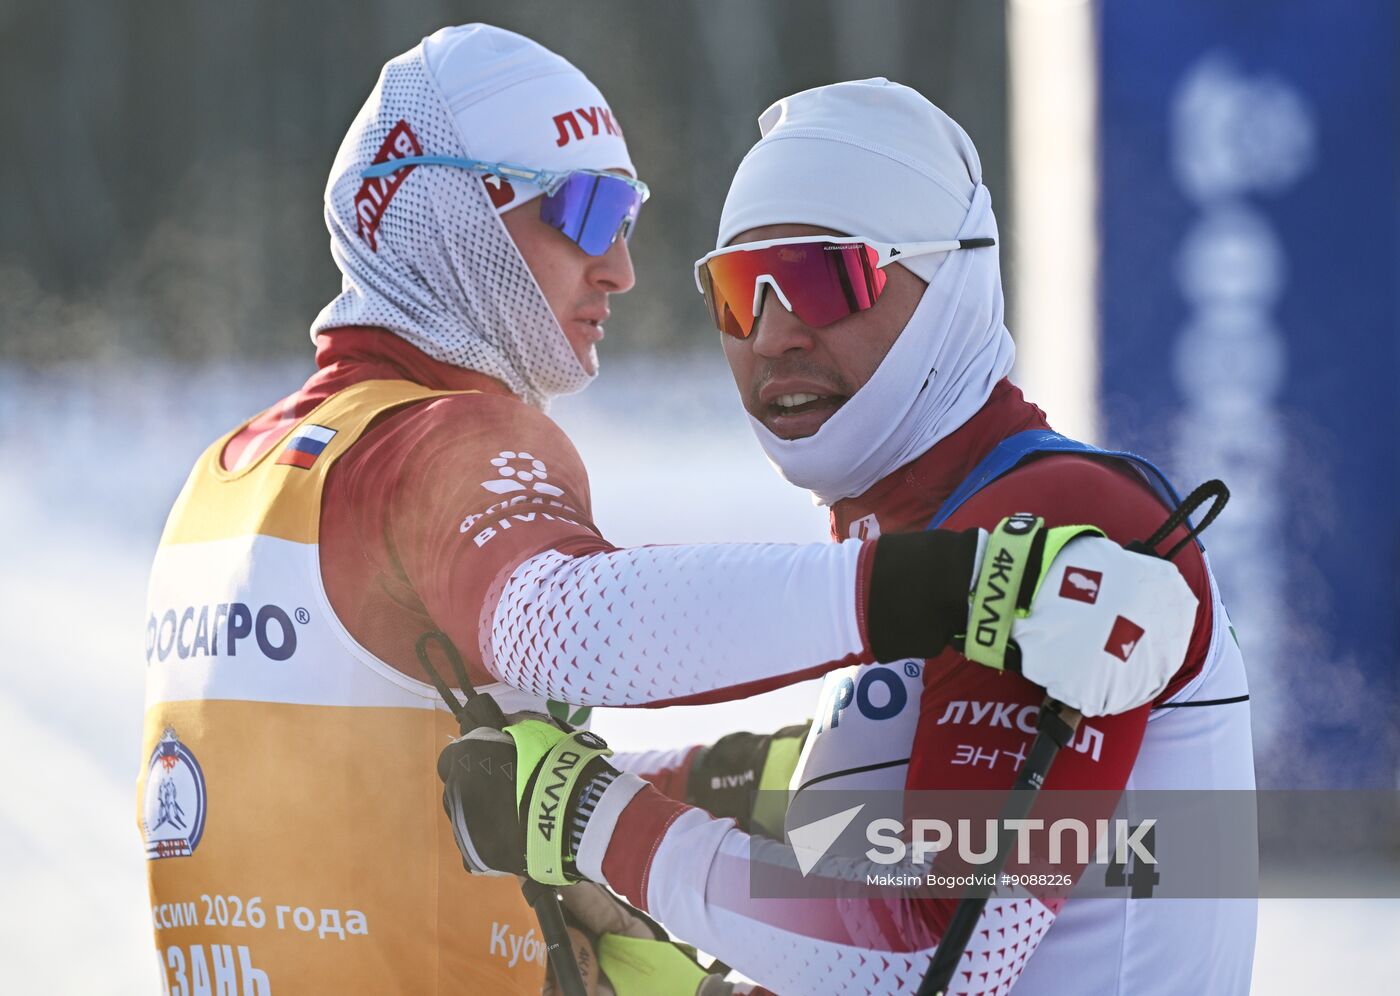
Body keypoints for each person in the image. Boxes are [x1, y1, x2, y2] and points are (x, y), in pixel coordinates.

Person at [137, 17, 1199, 989]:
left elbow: (412, 785)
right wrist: (957, 587)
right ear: (449, 210)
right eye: (584, 208)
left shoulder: (232, 475)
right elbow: (563, 625)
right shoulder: (441, 442)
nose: (620, 267)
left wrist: (679, 830)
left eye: (630, 213)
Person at [440, 80, 1257, 995]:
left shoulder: (1066, 522)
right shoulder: (924, 536)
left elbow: (935, 960)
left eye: (830, 278)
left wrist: (584, 812)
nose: (776, 335)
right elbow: (870, 837)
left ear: (952, 281)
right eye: (741, 293)